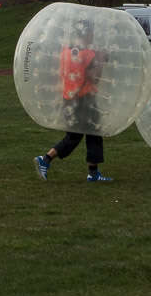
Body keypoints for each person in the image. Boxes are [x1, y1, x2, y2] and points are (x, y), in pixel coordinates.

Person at [34, 17, 112, 182]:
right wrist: (101, 60)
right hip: (85, 99)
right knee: (84, 135)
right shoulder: (88, 54)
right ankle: (46, 159)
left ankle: (92, 173)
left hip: (69, 97)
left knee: (87, 135)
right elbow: (93, 78)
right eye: (91, 32)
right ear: (88, 33)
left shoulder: (67, 51)